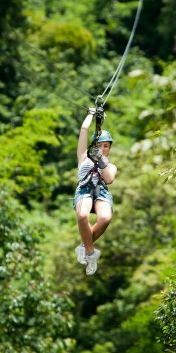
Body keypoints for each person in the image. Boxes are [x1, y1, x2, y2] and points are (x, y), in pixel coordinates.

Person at [73, 108, 117, 275]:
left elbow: (109, 179)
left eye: (106, 146)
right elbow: (84, 130)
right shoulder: (83, 157)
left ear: (109, 149)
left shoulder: (111, 165)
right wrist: (90, 115)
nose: (103, 148)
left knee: (105, 218)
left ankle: (84, 246)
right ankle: (91, 254)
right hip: (85, 190)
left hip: (101, 192)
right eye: (99, 145)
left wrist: (102, 160)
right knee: (83, 216)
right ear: (93, 146)